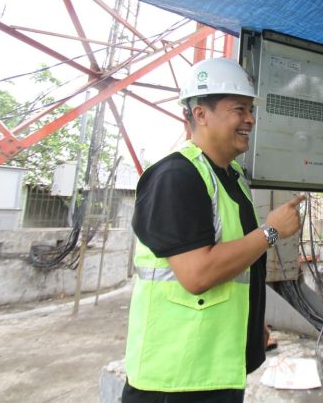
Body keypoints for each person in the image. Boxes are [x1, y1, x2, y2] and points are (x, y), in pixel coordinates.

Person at [122, 57, 305, 402]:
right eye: (239, 109)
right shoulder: (176, 176)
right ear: (200, 114)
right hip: (174, 378)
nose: (250, 119)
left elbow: (236, 264)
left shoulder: (232, 178)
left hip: (216, 367)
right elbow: (198, 274)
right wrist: (270, 231)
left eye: (251, 110)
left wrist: (249, 321)